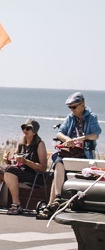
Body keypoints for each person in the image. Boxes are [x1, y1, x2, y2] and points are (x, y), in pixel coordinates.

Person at [37, 92, 102, 220]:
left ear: (82, 105)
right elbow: (60, 133)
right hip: (69, 152)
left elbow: (96, 134)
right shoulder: (70, 117)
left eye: (74, 107)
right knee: (58, 163)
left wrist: (81, 139)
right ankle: (57, 199)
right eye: (70, 107)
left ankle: (53, 203)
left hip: (84, 153)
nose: (71, 110)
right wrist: (68, 139)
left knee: (59, 170)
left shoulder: (91, 117)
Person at [0, 119, 48, 215]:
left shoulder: (40, 144)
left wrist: (25, 161)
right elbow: (14, 162)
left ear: (34, 132)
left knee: (9, 170)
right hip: (19, 172)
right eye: (23, 128)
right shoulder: (21, 144)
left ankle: (17, 204)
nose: (25, 130)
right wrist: (7, 159)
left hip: (34, 174)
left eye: (28, 128)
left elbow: (43, 167)